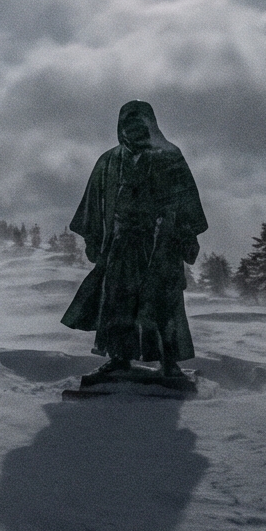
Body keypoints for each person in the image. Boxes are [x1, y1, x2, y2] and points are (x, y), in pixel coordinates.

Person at [62, 100, 207, 378]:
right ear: (120, 126)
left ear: (150, 124)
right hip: (121, 244)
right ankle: (119, 357)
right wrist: (94, 239)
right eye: (128, 123)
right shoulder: (109, 161)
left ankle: (169, 361)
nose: (134, 129)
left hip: (160, 244)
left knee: (163, 301)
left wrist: (185, 235)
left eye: (140, 123)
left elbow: (186, 199)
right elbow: (93, 203)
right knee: (118, 300)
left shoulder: (170, 157)